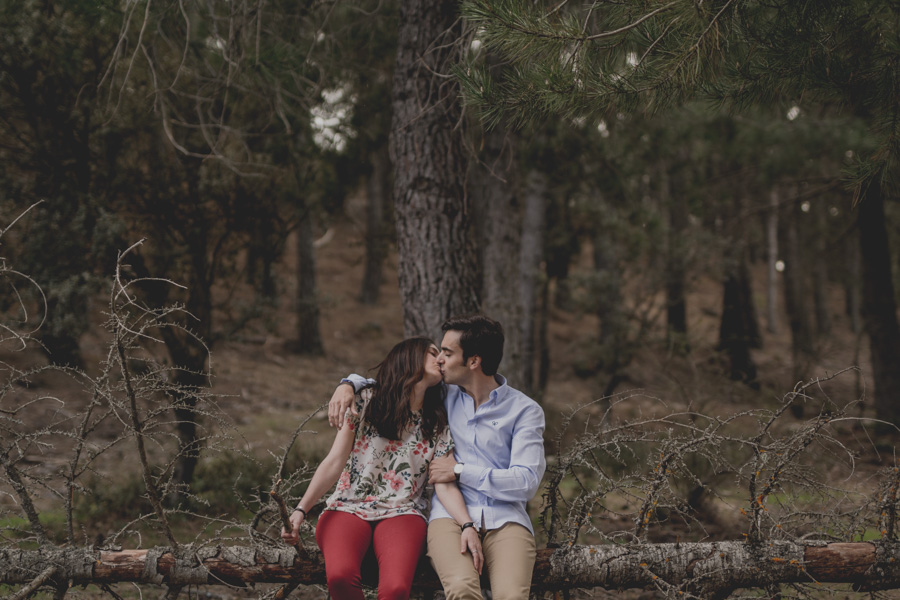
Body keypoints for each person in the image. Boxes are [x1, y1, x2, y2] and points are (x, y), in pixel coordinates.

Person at [329, 315, 546, 600]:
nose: (439, 360)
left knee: (512, 596)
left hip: (506, 520)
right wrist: (348, 384)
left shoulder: (525, 410)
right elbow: (394, 380)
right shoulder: (442, 393)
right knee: (462, 591)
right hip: (449, 518)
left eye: (447, 352)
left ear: (473, 361)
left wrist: (459, 471)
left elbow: (525, 482)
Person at [282, 337, 483, 600]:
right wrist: (301, 509)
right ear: (409, 357)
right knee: (340, 576)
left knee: (396, 589)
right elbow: (335, 460)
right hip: (347, 506)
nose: (440, 359)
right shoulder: (366, 401)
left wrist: (467, 524)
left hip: (404, 511)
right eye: (432, 352)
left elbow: (443, 481)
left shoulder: (438, 421)